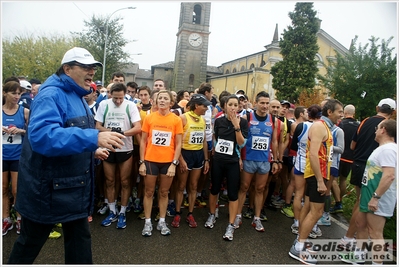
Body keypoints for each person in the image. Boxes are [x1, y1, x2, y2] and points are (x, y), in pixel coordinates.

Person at [7, 47, 125, 264]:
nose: (91, 72)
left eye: (93, 68)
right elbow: (43, 137)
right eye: (86, 67)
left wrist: (92, 150)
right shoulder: (51, 95)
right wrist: (93, 139)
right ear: (67, 69)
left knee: (80, 243)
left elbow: (70, 134)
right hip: (47, 192)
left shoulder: (76, 93)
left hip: (72, 189)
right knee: (29, 245)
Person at [289, 99, 343, 265]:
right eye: (339, 111)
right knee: (317, 212)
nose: (341, 115)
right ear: (329, 112)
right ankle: (299, 247)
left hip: (319, 174)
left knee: (308, 208)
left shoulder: (325, 127)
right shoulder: (320, 126)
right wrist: (320, 180)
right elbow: (313, 154)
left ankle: (300, 241)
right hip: (316, 175)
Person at [340, 98, 396, 248]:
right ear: (393, 112)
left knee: (362, 205)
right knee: (363, 205)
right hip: (372, 167)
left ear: (377, 107)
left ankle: (354, 241)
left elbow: (353, 145)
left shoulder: (365, 121)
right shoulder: (391, 133)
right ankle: (351, 240)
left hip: (361, 164)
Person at [95, 83, 141, 229]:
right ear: (110, 94)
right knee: (109, 181)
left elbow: (138, 127)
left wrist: (121, 133)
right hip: (108, 147)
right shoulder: (104, 104)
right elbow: (98, 126)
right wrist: (111, 132)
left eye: (121, 98)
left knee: (125, 181)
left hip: (125, 148)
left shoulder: (130, 105)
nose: (118, 101)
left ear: (125, 94)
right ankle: (112, 211)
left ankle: (122, 211)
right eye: (115, 98)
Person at [139, 90, 183, 237]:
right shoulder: (149, 118)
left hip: (168, 162)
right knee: (149, 192)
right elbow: (143, 141)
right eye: (160, 99)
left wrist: (174, 164)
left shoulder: (176, 120)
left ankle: (162, 221)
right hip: (150, 160)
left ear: (171, 103)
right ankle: (147, 222)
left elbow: (178, 144)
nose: (162, 101)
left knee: (164, 192)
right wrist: (142, 162)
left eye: (165, 99)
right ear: (155, 102)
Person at [204, 95, 248, 241]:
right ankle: (212, 215)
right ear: (225, 106)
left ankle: (230, 224)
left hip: (232, 162)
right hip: (218, 160)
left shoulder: (243, 122)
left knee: (233, 193)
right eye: (231, 104)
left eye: (236, 105)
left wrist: (236, 126)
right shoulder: (219, 121)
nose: (233, 107)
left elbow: (241, 144)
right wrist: (214, 151)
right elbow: (216, 137)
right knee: (214, 188)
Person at [235, 91, 279, 233]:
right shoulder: (246, 117)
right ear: (256, 103)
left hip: (264, 160)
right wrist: (239, 157)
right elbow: (238, 137)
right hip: (248, 158)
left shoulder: (273, 120)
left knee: (260, 189)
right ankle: (238, 215)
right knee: (244, 187)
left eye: (267, 103)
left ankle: (257, 218)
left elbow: (274, 141)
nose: (265, 106)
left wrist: (276, 160)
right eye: (262, 103)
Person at [171, 94, 211, 228]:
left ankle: (190, 214)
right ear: (196, 106)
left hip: (198, 154)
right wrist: (180, 159)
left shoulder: (202, 120)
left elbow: (204, 140)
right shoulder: (183, 117)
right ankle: (177, 213)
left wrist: (206, 159)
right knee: (181, 186)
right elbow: (176, 141)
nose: (206, 108)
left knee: (193, 186)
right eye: (204, 106)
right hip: (185, 153)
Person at [2, 81, 29, 236]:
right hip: (2, 156)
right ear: (5, 93)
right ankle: (5, 219)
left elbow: (32, 132)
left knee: (16, 189)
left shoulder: (24, 111)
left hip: (18, 156)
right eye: (14, 93)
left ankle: (19, 218)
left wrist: (21, 131)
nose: (17, 97)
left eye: (19, 93)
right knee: (3, 188)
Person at [332, 104, 359, 213]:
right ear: (354, 113)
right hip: (351, 157)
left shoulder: (340, 124)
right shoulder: (358, 125)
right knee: (343, 180)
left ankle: (337, 202)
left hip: (339, 155)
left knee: (334, 180)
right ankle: (340, 200)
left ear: (344, 113)